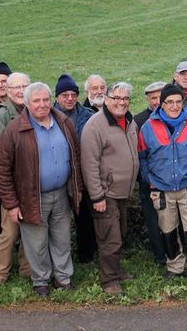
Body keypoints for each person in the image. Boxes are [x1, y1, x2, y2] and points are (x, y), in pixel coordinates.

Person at [0, 81, 83, 297]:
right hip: (31, 196)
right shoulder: (14, 130)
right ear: (27, 104)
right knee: (37, 242)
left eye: (45, 99)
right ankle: (40, 280)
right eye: (36, 101)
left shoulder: (63, 122)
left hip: (61, 193)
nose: (42, 104)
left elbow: (76, 159)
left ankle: (63, 278)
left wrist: (77, 189)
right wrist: (12, 204)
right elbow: (2, 170)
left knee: (62, 238)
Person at [138, 84, 187, 293]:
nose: (174, 106)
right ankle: (175, 266)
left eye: (178, 101)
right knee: (167, 231)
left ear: (183, 102)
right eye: (169, 102)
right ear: (161, 104)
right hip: (161, 189)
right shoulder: (148, 127)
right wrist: (149, 179)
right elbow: (142, 157)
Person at [81, 81, 140, 294]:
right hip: (105, 193)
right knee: (109, 238)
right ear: (106, 99)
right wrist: (97, 197)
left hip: (122, 191)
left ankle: (115, 270)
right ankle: (110, 281)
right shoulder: (95, 125)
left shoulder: (130, 122)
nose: (121, 102)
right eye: (117, 98)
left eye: (125, 99)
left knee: (120, 234)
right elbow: (89, 163)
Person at [0, 71, 32, 283]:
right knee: (9, 232)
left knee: (30, 231)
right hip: (13, 184)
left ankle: (26, 269)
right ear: (8, 90)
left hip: (32, 185)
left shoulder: (34, 111)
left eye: (25, 86)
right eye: (16, 87)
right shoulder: (2, 116)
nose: (21, 91)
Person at [53, 74, 95, 263]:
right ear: (57, 97)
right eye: (65, 95)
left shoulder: (88, 115)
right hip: (58, 175)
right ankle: (60, 257)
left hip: (83, 173)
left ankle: (86, 255)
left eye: (73, 94)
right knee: (58, 219)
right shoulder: (49, 116)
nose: (69, 98)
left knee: (85, 217)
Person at [134, 81, 168, 265]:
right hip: (149, 182)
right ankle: (159, 256)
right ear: (147, 98)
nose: (157, 101)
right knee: (153, 220)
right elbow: (138, 154)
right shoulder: (139, 121)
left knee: (170, 221)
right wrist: (147, 178)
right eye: (153, 97)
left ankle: (173, 253)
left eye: (160, 97)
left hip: (170, 181)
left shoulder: (173, 117)